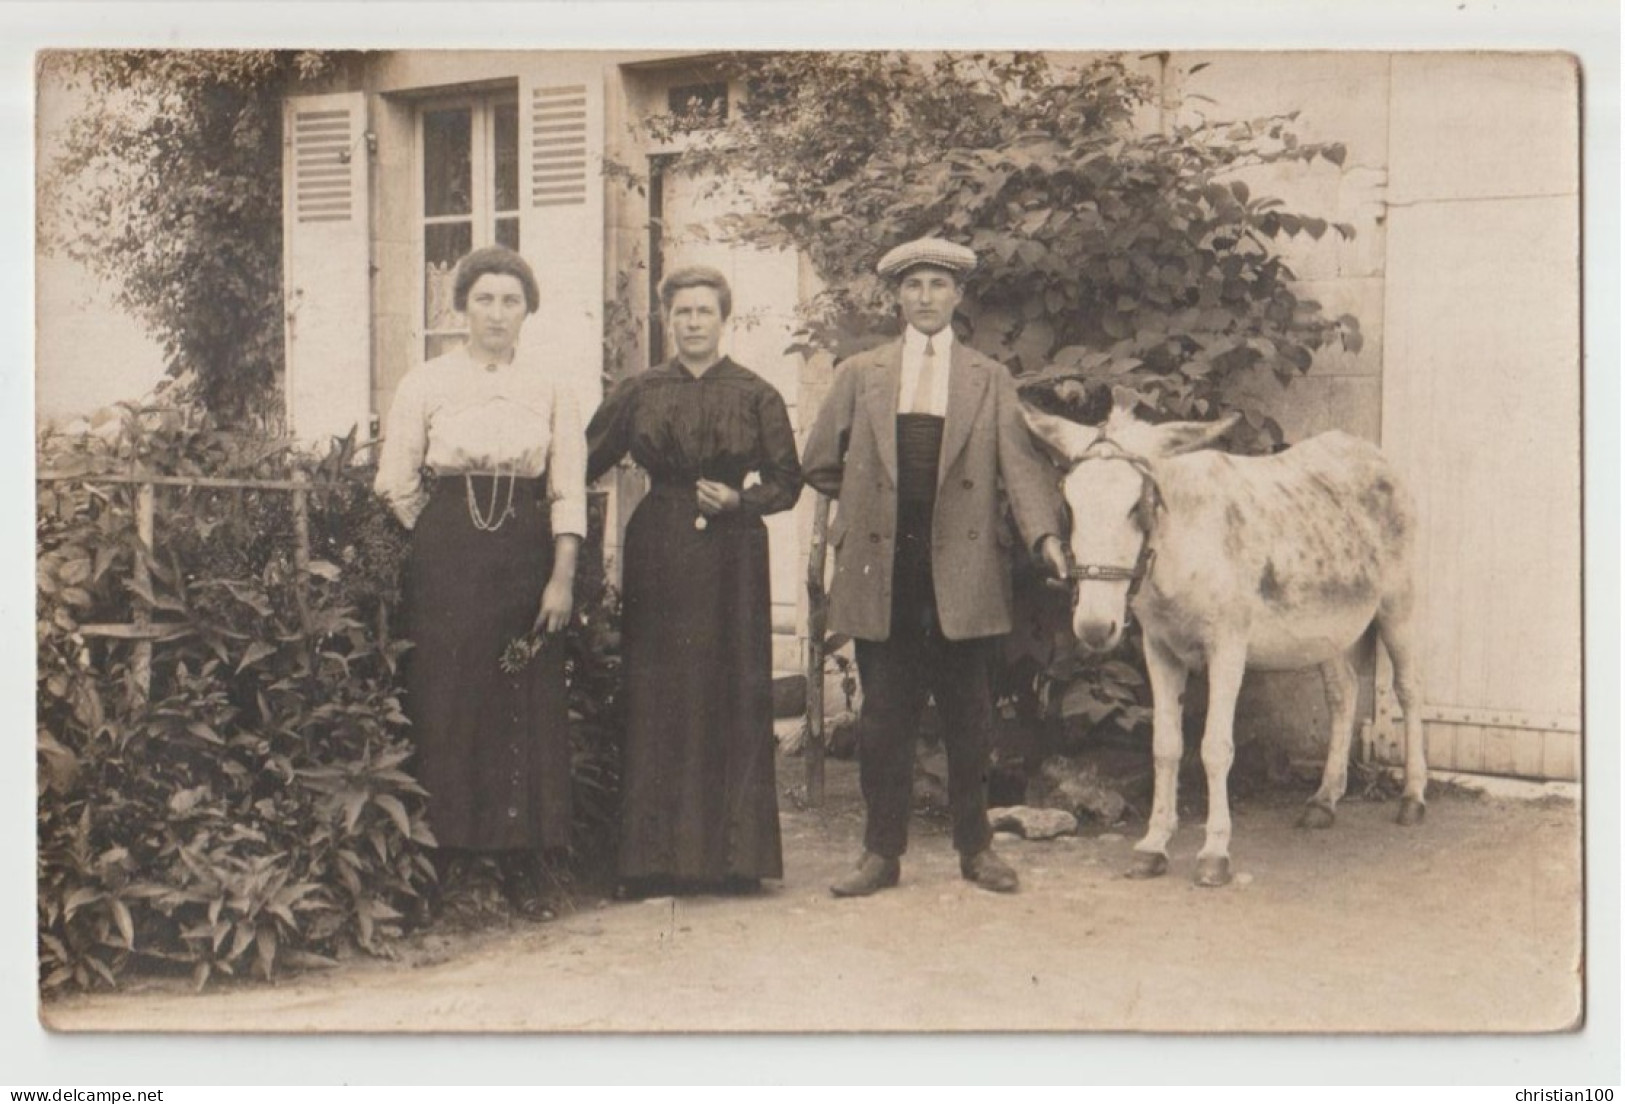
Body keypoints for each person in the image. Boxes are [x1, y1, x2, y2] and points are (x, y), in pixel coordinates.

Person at [802, 237, 1069, 897]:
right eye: (913, 285)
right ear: (896, 296)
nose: (925, 297)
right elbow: (818, 462)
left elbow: (1021, 470)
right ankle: (879, 854)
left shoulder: (988, 377)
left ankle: (975, 849)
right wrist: (866, 506)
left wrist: (1044, 540)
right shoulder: (860, 373)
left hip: (964, 566)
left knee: (969, 719)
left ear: (957, 296)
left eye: (937, 285)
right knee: (883, 716)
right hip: (883, 568)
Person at [374, 246, 586, 919]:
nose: (497, 314)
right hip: (448, 556)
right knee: (451, 699)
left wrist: (560, 579)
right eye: (484, 300)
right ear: (460, 307)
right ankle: (457, 865)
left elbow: (568, 491)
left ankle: (525, 860)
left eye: (511, 301)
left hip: (527, 552)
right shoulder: (425, 383)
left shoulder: (551, 388)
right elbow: (395, 484)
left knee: (524, 699)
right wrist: (444, 540)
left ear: (528, 311)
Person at [586, 266, 804, 895]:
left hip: (735, 553)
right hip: (660, 547)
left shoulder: (757, 393)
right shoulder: (641, 391)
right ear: (667, 320)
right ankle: (650, 862)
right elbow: (584, 457)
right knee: (659, 691)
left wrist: (743, 499)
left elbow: (788, 482)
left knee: (733, 688)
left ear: (723, 318)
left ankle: (735, 862)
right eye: (682, 313)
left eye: (704, 312)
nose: (693, 323)